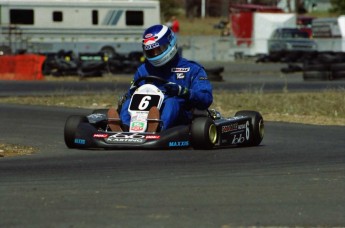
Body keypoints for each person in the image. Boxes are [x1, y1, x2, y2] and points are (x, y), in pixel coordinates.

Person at [108, 24, 213, 132]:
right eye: (151, 52)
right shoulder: (143, 70)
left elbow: (206, 98)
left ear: (170, 43)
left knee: (172, 102)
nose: (155, 54)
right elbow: (132, 94)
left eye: (158, 50)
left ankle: (157, 127)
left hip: (182, 114)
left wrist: (184, 92)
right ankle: (125, 128)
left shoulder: (192, 69)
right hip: (144, 114)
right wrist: (131, 92)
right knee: (129, 101)